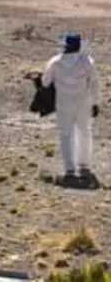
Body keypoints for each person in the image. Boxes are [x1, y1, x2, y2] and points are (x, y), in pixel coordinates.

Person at [42, 32, 101, 185]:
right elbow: (94, 83)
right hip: (83, 103)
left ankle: (69, 169)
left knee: (66, 135)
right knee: (85, 133)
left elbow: (45, 82)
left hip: (63, 104)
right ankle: (84, 166)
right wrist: (95, 102)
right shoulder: (86, 61)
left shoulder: (55, 62)